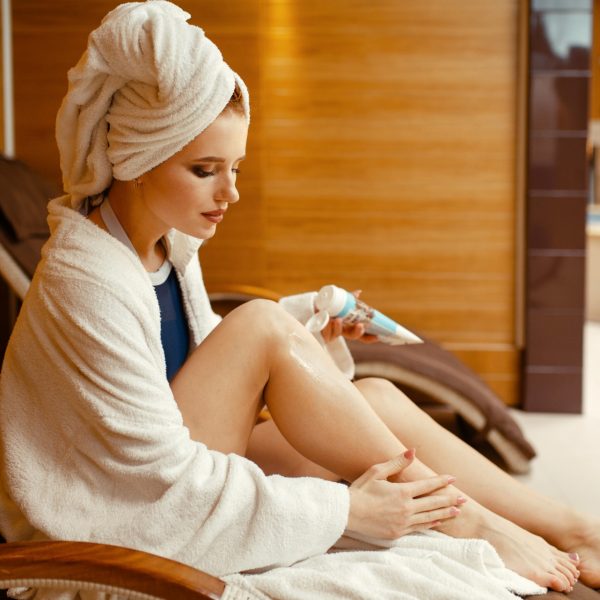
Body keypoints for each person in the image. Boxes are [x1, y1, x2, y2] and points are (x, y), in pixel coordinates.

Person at [0, 1, 597, 595]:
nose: (230, 192)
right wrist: (346, 512)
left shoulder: (166, 247)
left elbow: (198, 368)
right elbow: (152, 477)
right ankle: (474, 521)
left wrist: (309, 343)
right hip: (116, 508)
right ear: (136, 160)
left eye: (235, 167)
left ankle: (572, 528)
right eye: (205, 169)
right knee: (260, 322)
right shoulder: (87, 283)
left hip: (167, 461)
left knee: (377, 398)